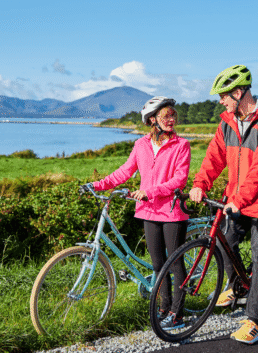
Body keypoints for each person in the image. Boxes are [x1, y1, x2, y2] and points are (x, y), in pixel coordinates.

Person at [189, 65, 258, 344]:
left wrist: (240, 200)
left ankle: (255, 322)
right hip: (237, 199)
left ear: (238, 92)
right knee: (225, 243)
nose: (221, 101)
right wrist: (200, 184)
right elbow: (214, 157)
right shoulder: (228, 122)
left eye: (223, 96)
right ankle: (236, 287)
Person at [81, 96, 191, 330]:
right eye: (166, 116)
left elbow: (179, 179)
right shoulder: (140, 145)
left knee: (175, 264)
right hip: (148, 212)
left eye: (173, 115)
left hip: (172, 212)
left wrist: (150, 191)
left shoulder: (182, 145)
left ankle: (178, 315)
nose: (171, 120)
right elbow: (124, 172)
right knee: (158, 264)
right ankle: (164, 307)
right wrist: (97, 184)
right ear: (153, 120)